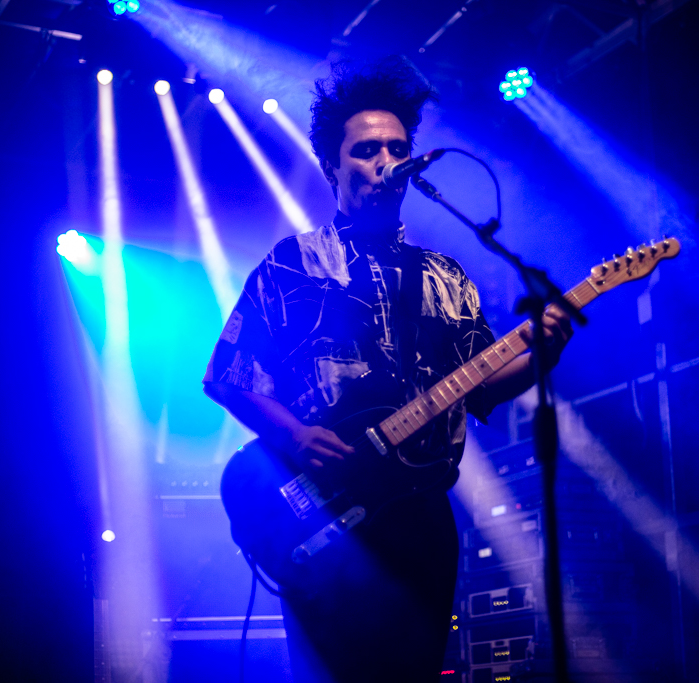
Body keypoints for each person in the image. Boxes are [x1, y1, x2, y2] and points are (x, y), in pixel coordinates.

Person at [203, 57, 572, 682]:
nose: (386, 161)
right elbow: (226, 376)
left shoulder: (446, 275)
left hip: (421, 512)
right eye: (367, 149)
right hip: (324, 514)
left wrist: (544, 356)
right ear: (333, 166)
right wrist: (296, 435)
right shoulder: (292, 264)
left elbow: (480, 388)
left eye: (398, 149)